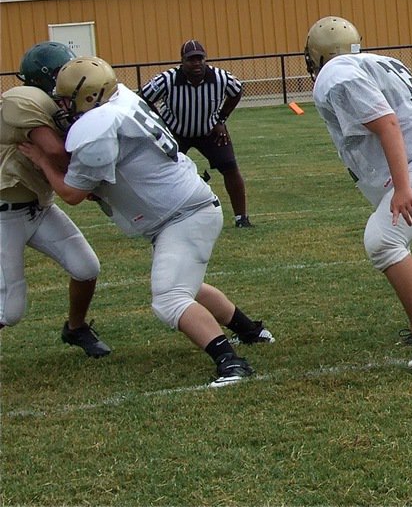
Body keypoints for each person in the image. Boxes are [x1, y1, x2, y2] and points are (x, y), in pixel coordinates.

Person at [21, 56, 274, 387]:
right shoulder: (122, 100)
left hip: (183, 215)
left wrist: (42, 159)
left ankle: (231, 363)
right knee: (186, 285)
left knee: (170, 299)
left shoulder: (98, 126)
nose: (64, 107)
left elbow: (72, 194)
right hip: (187, 207)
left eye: (68, 99)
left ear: (90, 96)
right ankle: (251, 331)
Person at [306, 16, 412, 369]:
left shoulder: (335, 74)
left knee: (382, 241)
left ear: (316, 56)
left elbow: (388, 123)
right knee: (390, 240)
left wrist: (403, 187)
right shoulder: (375, 60)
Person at [1, 42, 111, 357]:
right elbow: (56, 152)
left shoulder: (52, 104)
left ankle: (75, 328)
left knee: (86, 266)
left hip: (39, 208)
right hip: (5, 214)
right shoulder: (25, 99)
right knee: (9, 309)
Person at [139, 40, 254, 228]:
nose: (196, 63)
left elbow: (237, 91)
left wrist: (221, 120)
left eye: (200, 58)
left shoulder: (220, 77)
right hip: (175, 132)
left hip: (209, 131)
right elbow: (143, 97)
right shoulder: (167, 79)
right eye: (191, 59)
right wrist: (160, 124)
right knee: (160, 172)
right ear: (182, 61)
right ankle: (158, 218)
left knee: (230, 167)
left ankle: (241, 218)